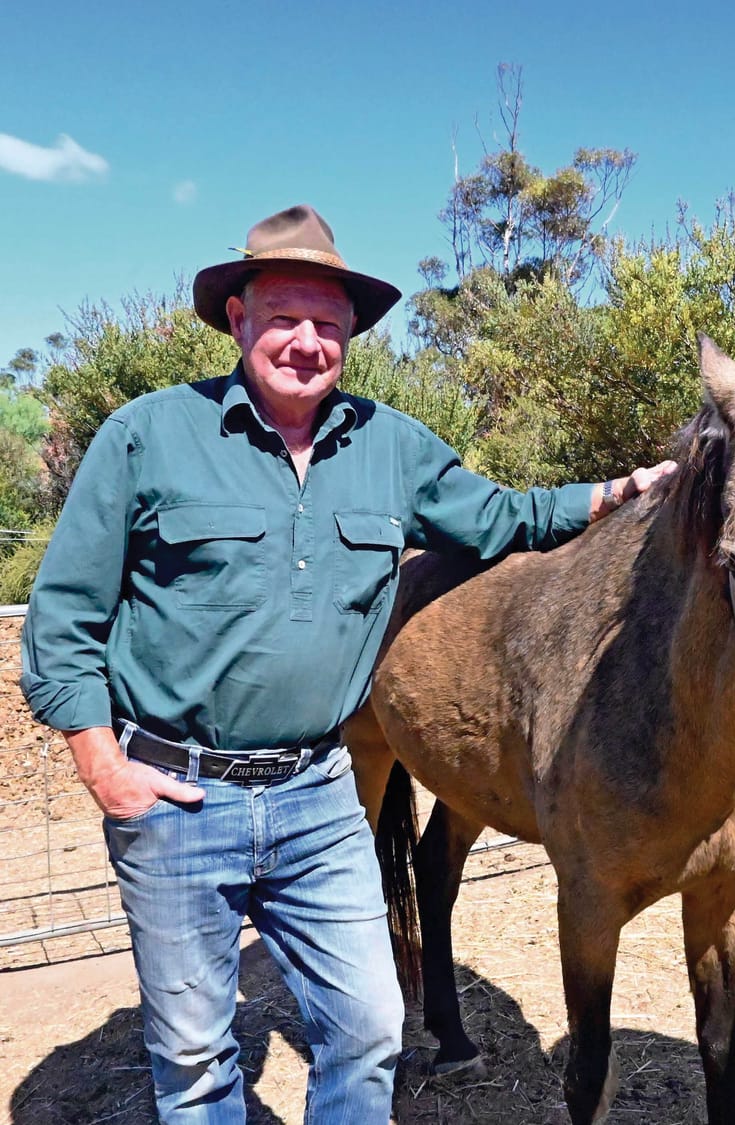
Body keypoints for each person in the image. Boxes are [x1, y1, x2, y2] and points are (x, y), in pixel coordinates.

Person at [19, 204, 674, 1124]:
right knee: (196, 1056)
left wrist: (618, 491)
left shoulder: (390, 446)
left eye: (328, 324)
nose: (306, 341)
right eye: (283, 317)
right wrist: (102, 761)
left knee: (368, 1028)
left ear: (351, 336)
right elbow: (64, 614)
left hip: (319, 793)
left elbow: (500, 519)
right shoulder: (147, 435)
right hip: (176, 796)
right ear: (237, 318)